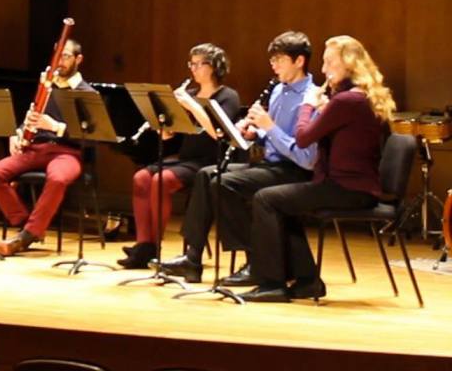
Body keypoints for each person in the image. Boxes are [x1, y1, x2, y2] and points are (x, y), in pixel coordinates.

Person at [242, 35, 394, 302]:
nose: (323, 70)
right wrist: (324, 109)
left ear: (348, 64)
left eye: (329, 63)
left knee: (266, 199)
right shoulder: (358, 97)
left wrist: (308, 106)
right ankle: (306, 280)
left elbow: (303, 138)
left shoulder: (347, 101)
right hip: (355, 185)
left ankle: (272, 283)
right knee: (279, 201)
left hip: (347, 188)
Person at [160, 32, 317, 283]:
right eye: (272, 59)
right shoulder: (278, 90)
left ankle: (255, 259)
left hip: (293, 169)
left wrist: (269, 127)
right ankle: (192, 258)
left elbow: (304, 155)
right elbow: (269, 134)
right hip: (269, 163)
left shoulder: (311, 97)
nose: (273, 65)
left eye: (279, 59)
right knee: (206, 174)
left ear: (299, 61)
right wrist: (255, 132)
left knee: (223, 183)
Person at [117, 43, 241, 269]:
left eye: (197, 64)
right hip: (186, 158)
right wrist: (164, 124)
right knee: (141, 178)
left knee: (161, 180)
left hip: (210, 161)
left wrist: (192, 106)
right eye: (190, 63)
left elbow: (219, 134)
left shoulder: (228, 96)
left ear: (212, 66)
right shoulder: (191, 94)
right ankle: (144, 245)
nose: (192, 68)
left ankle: (155, 246)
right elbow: (170, 139)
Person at [0, 38, 94, 256]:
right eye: (56, 56)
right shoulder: (47, 86)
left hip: (67, 152)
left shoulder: (87, 93)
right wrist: (17, 133)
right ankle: (28, 225)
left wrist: (56, 127)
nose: (59, 61)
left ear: (78, 60)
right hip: (37, 148)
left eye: (65, 56)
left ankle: (27, 236)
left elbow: (91, 136)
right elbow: (33, 115)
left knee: (58, 179)